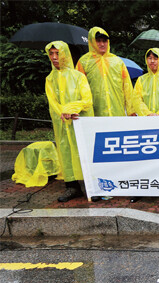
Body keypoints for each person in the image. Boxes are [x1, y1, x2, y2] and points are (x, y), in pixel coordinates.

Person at [45, 41, 94, 202]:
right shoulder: (49, 79)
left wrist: (72, 109)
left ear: (65, 54)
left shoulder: (78, 76)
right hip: (61, 124)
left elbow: (87, 99)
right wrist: (63, 112)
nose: (54, 57)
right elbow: (52, 101)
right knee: (66, 152)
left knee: (85, 152)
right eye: (51, 54)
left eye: (57, 53)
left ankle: (93, 187)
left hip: (79, 121)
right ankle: (72, 187)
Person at [76, 27, 134, 116]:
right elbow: (78, 89)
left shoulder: (117, 62)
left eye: (104, 41)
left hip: (117, 111)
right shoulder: (84, 62)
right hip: (94, 113)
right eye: (98, 41)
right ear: (92, 42)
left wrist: (131, 110)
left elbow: (127, 87)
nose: (102, 44)